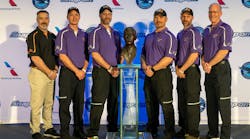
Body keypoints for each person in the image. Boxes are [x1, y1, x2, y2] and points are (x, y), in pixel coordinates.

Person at [141, 8, 177, 139]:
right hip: (148, 74)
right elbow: (143, 54)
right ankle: (152, 127)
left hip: (162, 74)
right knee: (150, 102)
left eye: (161, 17)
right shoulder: (149, 37)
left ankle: (169, 131)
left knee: (166, 103)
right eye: (156, 17)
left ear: (166, 19)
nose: (158, 19)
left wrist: (153, 69)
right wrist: (145, 66)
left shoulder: (170, 37)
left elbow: (168, 58)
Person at [87, 5, 121, 138]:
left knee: (113, 101)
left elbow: (119, 54)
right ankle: (93, 132)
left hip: (115, 72)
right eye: (104, 14)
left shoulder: (116, 33)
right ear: (100, 16)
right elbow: (94, 54)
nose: (107, 16)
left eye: (109, 14)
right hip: (102, 71)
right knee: (98, 102)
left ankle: (112, 130)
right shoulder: (95, 32)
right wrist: (109, 68)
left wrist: (118, 66)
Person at [55, 7, 89, 139]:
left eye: (76, 15)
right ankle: (64, 132)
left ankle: (78, 131)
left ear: (79, 17)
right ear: (68, 17)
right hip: (68, 73)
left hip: (81, 73)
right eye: (71, 15)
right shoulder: (63, 33)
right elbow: (62, 56)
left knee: (79, 103)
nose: (74, 17)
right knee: (65, 103)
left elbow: (87, 55)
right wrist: (76, 71)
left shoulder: (84, 34)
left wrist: (84, 70)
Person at [26, 10, 60, 139]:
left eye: (46, 18)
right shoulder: (33, 36)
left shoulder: (53, 36)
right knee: (37, 104)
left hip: (51, 73)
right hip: (39, 73)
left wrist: (55, 70)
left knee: (49, 103)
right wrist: (49, 71)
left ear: (49, 19)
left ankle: (48, 127)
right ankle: (35, 130)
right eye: (41, 18)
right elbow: (35, 58)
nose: (44, 20)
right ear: (37, 20)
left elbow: (57, 56)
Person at [202, 3, 233, 139]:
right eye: (210, 12)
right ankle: (213, 133)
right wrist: (204, 63)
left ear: (220, 13)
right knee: (211, 104)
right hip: (209, 71)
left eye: (215, 12)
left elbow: (224, 50)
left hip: (221, 69)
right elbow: (202, 51)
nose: (212, 14)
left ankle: (225, 136)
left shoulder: (225, 28)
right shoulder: (206, 30)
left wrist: (209, 64)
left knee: (223, 103)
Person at [175, 7, 202, 139]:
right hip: (180, 72)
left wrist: (182, 69)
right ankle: (184, 128)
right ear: (181, 17)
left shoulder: (194, 32)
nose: (185, 18)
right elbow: (176, 54)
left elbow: (194, 54)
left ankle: (193, 132)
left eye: (188, 16)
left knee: (192, 103)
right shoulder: (179, 34)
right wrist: (177, 68)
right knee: (182, 102)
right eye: (183, 16)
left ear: (192, 18)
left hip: (190, 71)